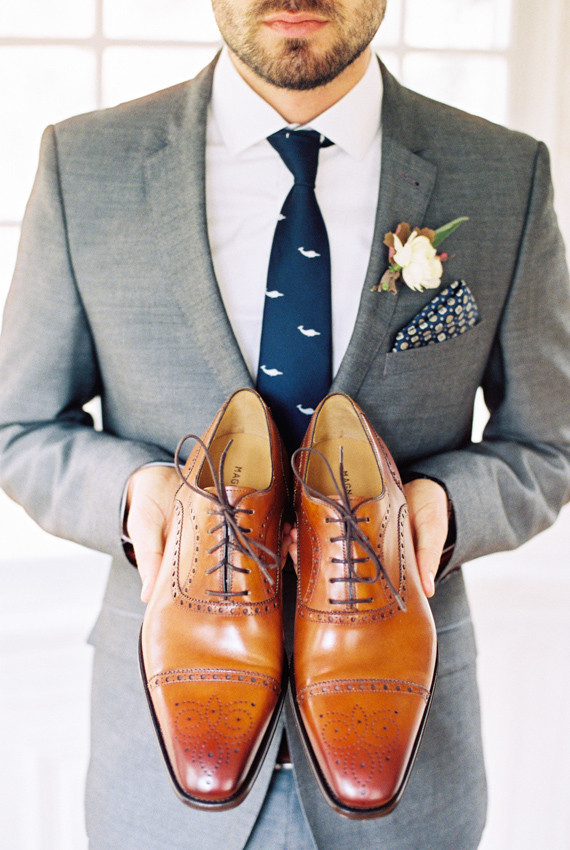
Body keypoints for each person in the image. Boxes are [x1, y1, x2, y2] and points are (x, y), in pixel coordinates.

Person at [0, 1, 568, 847]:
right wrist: (138, 498)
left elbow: (548, 445)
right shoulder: (88, 162)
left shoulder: (501, 171)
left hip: (413, 761)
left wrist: (440, 511)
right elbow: (19, 426)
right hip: (157, 762)